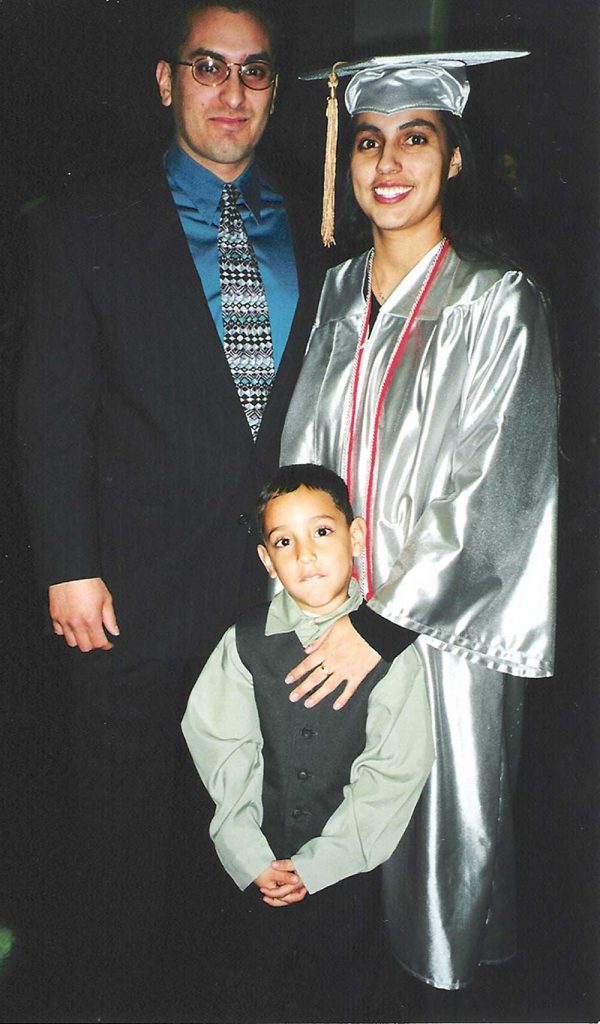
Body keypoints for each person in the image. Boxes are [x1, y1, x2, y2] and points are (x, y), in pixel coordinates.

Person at [16, 2, 324, 1015]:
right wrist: (68, 560)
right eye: (209, 69)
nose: (232, 95)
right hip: (131, 596)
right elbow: (51, 407)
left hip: (276, 607)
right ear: (166, 81)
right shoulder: (84, 222)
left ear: (277, 90)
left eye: (256, 73)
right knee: (121, 845)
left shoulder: (321, 230)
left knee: (251, 835)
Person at [280, 52, 558, 992]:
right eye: (367, 141)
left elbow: (499, 490)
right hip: (330, 621)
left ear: (453, 158)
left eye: (415, 137)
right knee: (329, 857)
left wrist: (383, 621)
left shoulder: (497, 305)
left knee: (438, 851)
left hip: (437, 633)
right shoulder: (331, 299)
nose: (387, 162)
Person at [181, 462, 434, 1018]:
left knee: (341, 992)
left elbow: (394, 771)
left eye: (322, 531)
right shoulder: (243, 643)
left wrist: (322, 865)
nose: (306, 555)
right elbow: (222, 746)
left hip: (347, 877)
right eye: (284, 541)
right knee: (256, 989)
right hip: (257, 869)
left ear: (357, 536)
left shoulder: (392, 654)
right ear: (267, 560)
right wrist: (247, 853)